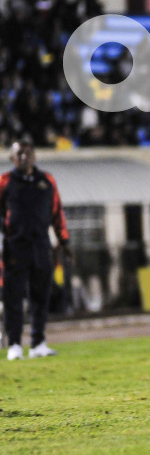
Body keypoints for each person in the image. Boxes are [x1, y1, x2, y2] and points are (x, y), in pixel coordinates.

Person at [0, 138, 71, 360]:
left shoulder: (46, 180)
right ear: (12, 158)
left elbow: (57, 212)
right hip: (14, 246)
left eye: (27, 152)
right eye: (19, 153)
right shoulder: (5, 181)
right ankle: (14, 344)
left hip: (41, 245)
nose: (24, 157)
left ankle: (38, 343)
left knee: (41, 295)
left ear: (34, 156)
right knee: (13, 296)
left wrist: (64, 240)